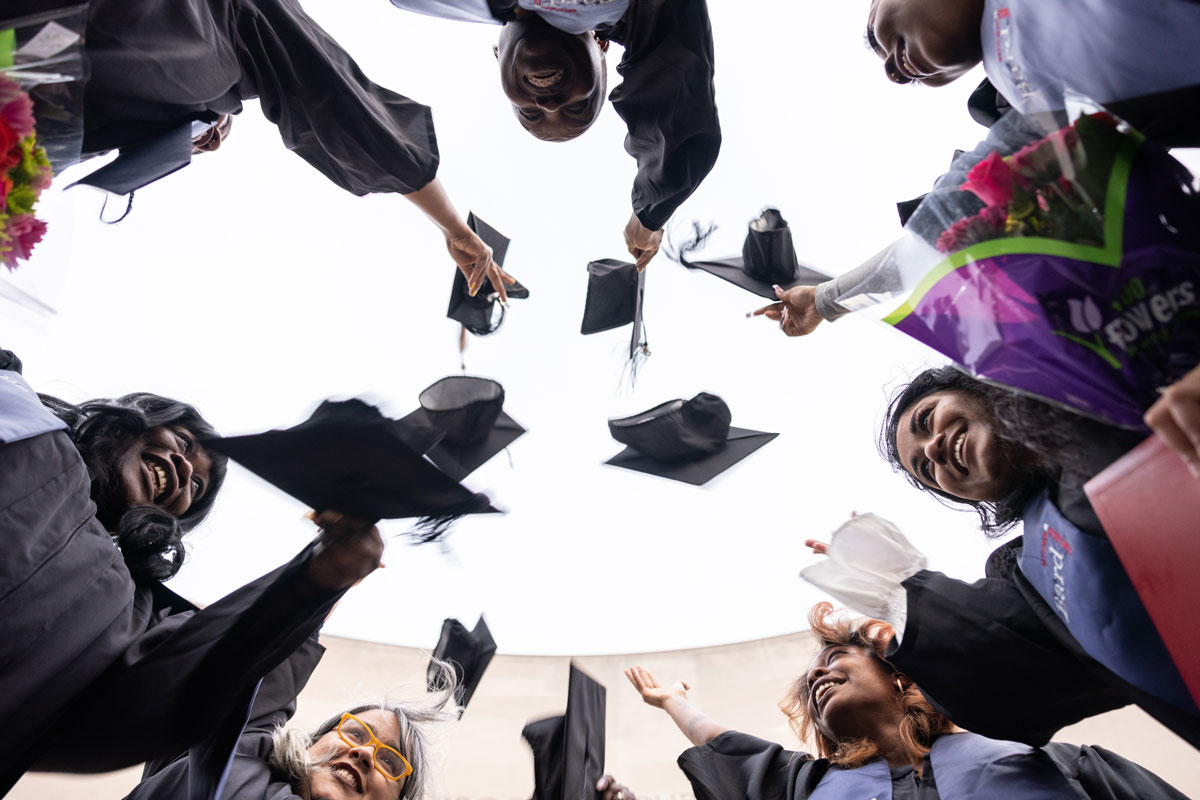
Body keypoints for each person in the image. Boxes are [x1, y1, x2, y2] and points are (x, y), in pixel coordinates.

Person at [0, 349, 387, 793]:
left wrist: (311, 581)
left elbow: (179, 688)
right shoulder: (23, 420)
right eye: (183, 443)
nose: (184, 469)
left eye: (197, 487)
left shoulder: (128, 615)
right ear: (140, 417)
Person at [14, 0, 512, 299]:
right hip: (42, 62)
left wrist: (195, 115)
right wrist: (454, 228)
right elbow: (332, 92)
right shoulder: (229, 20)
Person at [626, 602, 1191, 800]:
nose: (819, 677)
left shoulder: (1054, 763)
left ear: (899, 677)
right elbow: (728, 749)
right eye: (812, 680)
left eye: (835, 662)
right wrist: (673, 701)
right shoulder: (807, 788)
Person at [387, 0, 721, 270]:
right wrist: (650, 213)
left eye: (529, 112)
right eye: (577, 108)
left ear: (498, 54)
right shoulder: (633, 7)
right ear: (601, 42)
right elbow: (681, 103)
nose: (549, 104)